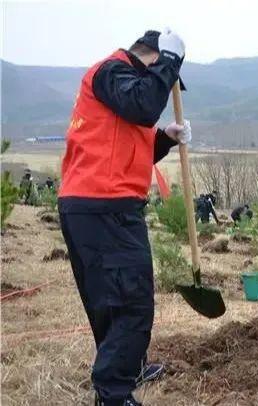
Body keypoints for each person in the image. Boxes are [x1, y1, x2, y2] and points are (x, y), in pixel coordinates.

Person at [58, 29, 189, 406]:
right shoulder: (112, 72)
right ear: (151, 58)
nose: (164, 87)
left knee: (112, 301)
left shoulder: (119, 88)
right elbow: (144, 105)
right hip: (104, 207)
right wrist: (172, 61)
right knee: (131, 303)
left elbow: (128, 150)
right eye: (162, 75)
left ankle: (126, 368)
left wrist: (164, 138)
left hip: (98, 206)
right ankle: (114, 394)